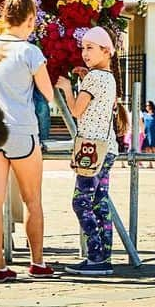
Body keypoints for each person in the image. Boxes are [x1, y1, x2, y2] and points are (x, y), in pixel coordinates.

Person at [0, 0, 57, 281]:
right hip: (21, 129)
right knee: (32, 199)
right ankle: (37, 262)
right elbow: (47, 94)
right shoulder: (30, 51)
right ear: (30, 19)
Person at [57, 26, 124, 278]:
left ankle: (95, 256)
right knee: (100, 202)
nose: (84, 53)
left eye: (90, 48)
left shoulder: (94, 78)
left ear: (106, 50)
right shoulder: (107, 77)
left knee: (81, 201)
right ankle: (103, 257)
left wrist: (65, 87)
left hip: (91, 149)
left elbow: (76, 110)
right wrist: (85, 77)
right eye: (83, 48)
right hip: (107, 148)